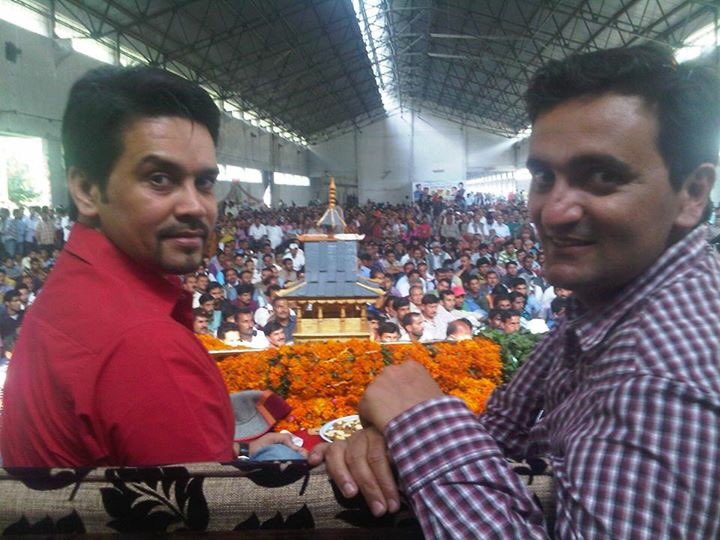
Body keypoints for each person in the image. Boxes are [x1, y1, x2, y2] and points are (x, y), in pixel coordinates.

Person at [310, 43, 720, 538]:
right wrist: (395, 441)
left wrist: (422, 421)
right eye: (544, 177)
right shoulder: (606, 306)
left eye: (603, 177)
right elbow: (502, 430)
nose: (553, 212)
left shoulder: (665, 376)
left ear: (692, 193)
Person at [0, 65, 303, 467]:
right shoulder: (144, 345)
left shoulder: (74, 289)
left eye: (204, 182)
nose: (194, 206)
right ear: (87, 190)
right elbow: (209, 502)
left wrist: (241, 453)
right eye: (159, 179)